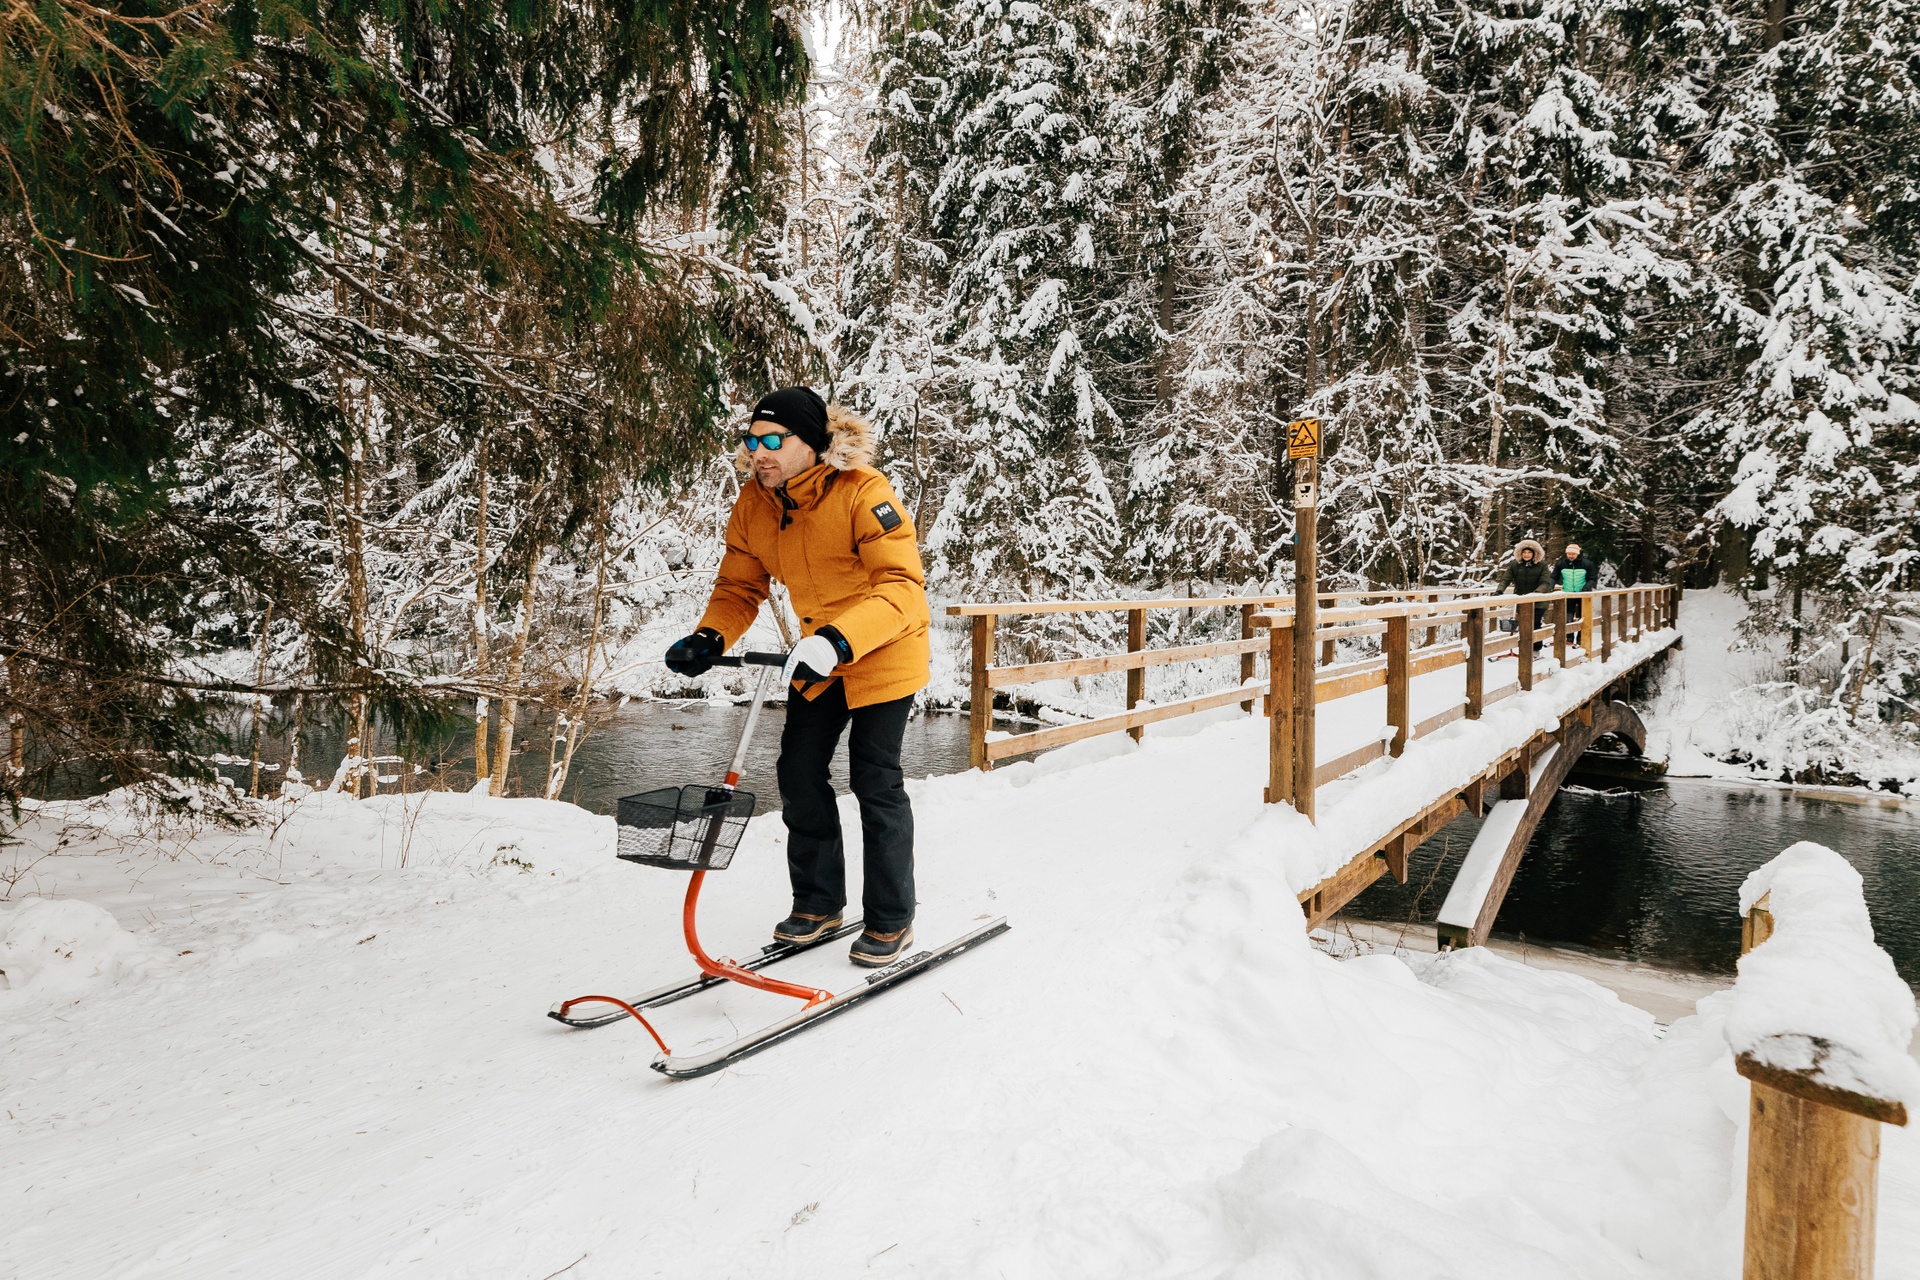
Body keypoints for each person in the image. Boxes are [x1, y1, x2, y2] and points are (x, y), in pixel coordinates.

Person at [664, 387, 931, 967]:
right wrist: (710, 636)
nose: (758, 452)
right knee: (798, 770)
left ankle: (892, 917)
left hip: (882, 650)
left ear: (812, 443)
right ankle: (818, 903)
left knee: (874, 777)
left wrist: (839, 639)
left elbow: (902, 589)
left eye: (772, 441)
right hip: (817, 657)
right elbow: (740, 586)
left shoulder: (864, 492)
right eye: (751, 440)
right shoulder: (756, 504)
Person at [1498, 539, 1549, 651]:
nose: (1526, 555)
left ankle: (1536, 649)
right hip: (1522, 599)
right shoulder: (1515, 565)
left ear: (1535, 553)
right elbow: (1505, 579)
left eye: (1529, 552)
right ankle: (1525, 647)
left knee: (1534, 623)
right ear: (1520, 553)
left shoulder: (1542, 565)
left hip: (1539, 600)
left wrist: (1537, 593)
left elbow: (1545, 582)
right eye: (1524, 552)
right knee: (1523, 624)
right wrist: (1500, 590)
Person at [1553, 542, 1597, 625]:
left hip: (1583, 594)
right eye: (1569, 554)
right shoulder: (1561, 564)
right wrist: (1550, 586)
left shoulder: (1587, 564)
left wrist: (1586, 588)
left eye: (1573, 554)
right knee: (1568, 618)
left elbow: (1592, 578)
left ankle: (1581, 637)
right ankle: (1569, 637)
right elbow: (1554, 576)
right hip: (1568, 593)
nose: (1571, 556)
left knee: (1583, 616)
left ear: (1578, 554)